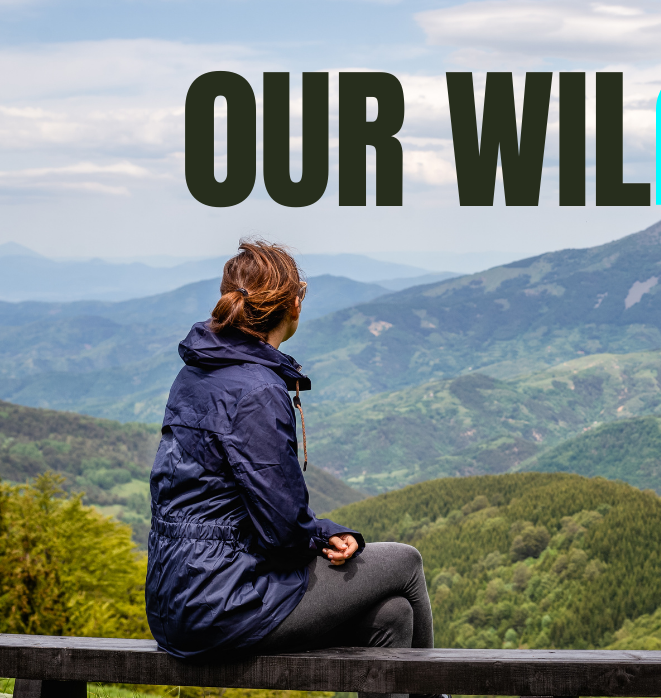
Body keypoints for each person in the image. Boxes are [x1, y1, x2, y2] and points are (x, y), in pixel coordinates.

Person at [145, 241, 441, 697]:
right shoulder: (257, 391)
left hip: (176, 599)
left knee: (393, 616)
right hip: (222, 603)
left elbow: (234, 505)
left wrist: (320, 532)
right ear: (294, 304)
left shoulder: (198, 373)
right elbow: (282, 534)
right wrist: (316, 534)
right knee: (405, 561)